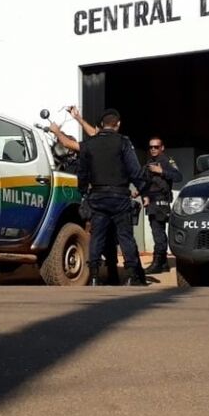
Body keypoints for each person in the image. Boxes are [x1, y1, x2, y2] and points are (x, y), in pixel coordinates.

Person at [48, 107, 120, 284]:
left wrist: (74, 121)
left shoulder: (87, 153)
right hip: (82, 204)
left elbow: (93, 136)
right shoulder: (62, 163)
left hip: (93, 201)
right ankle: (94, 275)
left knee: (104, 236)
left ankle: (110, 275)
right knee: (95, 237)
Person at [77, 108, 148, 286]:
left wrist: (84, 192)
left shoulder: (88, 144)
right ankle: (131, 275)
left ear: (101, 125)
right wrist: (144, 191)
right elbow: (134, 170)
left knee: (97, 237)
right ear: (117, 124)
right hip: (119, 196)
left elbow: (82, 173)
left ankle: (93, 276)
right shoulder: (123, 142)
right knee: (125, 237)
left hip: (97, 196)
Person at [141, 137, 183, 274]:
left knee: (158, 233)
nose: (153, 149)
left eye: (156, 147)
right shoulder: (150, 163)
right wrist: (141, 194)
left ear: (162, 148)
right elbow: (146, 183)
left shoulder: (166, 161)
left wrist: (162, 171)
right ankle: (163, 262)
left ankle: (157, 263)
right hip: (152, 203)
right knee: (157, 232)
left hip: (161, 201)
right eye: (151, 147)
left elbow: (178, 177)